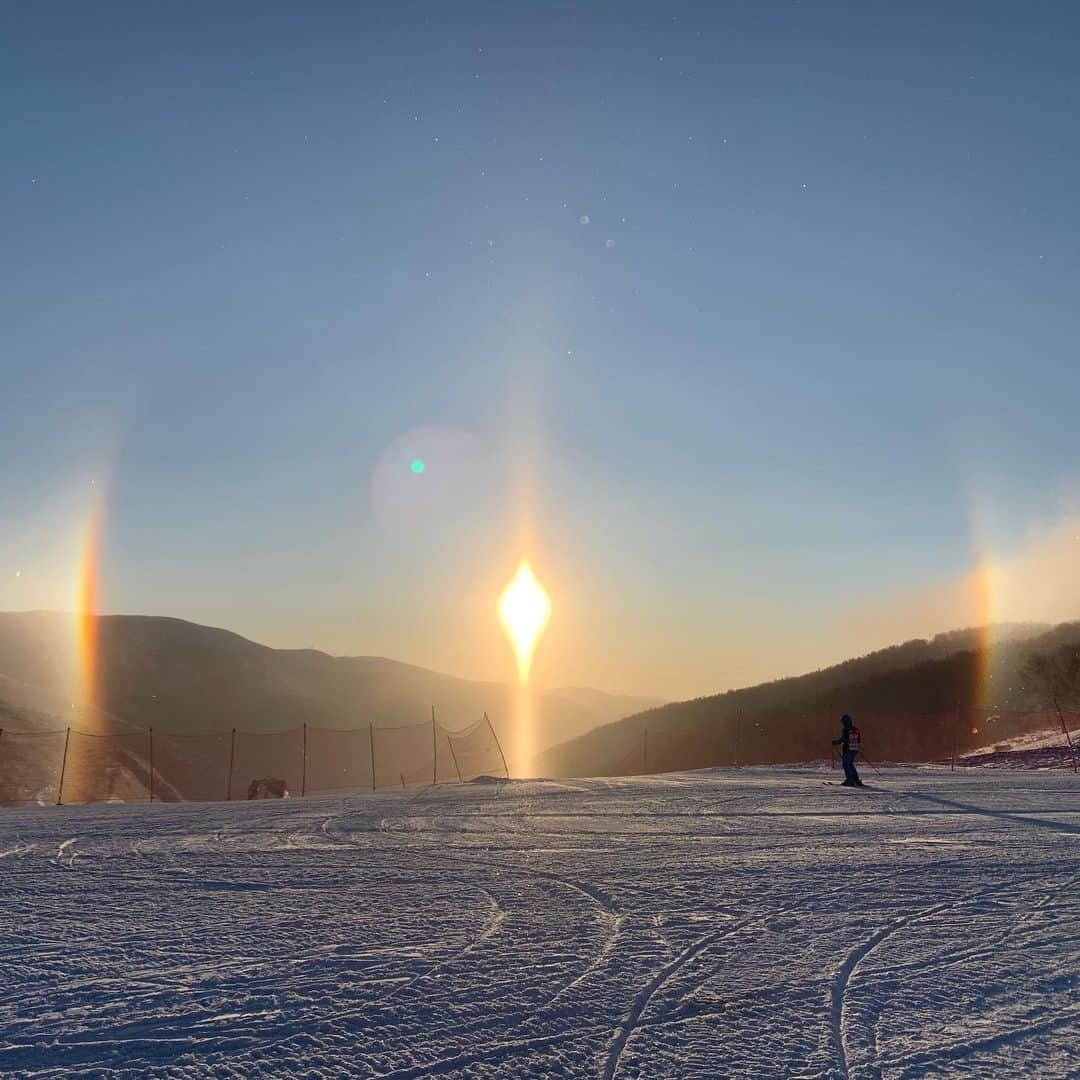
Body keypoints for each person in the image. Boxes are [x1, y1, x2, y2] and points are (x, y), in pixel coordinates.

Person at [831, 714, 863, 786]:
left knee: (846, 765)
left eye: (842, 722)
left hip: (848, 749)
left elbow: (842, 740)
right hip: (855, 750)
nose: (842, 723)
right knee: (850, 764)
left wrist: (834, 742)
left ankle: (850, 780)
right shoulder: (855, 729)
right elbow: (859, 740)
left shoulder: (845, 730)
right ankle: (856, 779)